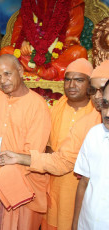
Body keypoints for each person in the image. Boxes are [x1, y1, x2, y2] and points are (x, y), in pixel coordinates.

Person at [0, 59, 109, 230]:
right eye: (95, 90)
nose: (99, 96)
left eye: (79, 80)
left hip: (80, 191)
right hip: (56, 185)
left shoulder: (94, 121)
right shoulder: (57, 110)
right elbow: (57, 157)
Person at [0, 54, 52, 229]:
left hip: (25, 187)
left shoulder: (37, 106)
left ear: (20, 71)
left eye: (7, 74)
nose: (2, 81)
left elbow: (31, 156)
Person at [72, 79, 109, 230]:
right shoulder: (94, 134)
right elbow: (83, 183)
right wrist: (75, 224)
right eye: (106, 104)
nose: (107, 113)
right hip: (86, 223)